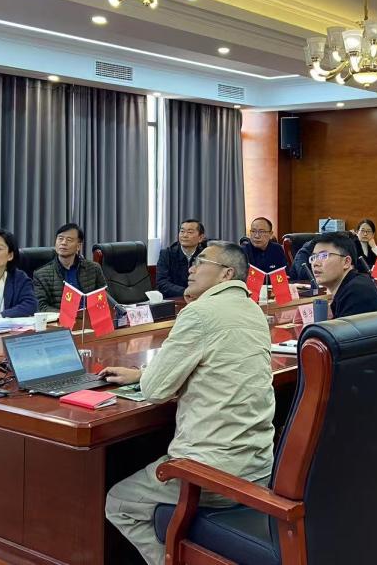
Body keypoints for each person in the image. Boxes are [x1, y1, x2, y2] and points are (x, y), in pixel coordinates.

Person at [101, 241, 275, 565]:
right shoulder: (253, 310)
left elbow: (155, 391)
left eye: (201, 262)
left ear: (226, 274)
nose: (191, 268)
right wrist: (141, 373)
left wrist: (148, 377)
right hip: (258, 466)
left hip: (211, 473)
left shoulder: (199, 313)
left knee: (118, 503)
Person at [32, 223, 108, 311]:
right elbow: (41, 307)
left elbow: (104, 299)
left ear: (78, 246)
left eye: (69, 240)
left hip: (89, 317)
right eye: (60, 238)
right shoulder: (41, 275)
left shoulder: (94, 268)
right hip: (59, 319)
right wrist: (67, 316)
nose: (63, 243)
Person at [309, 231, 377, 319]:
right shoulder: (351, 286)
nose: (315, 263)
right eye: (313, 257)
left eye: (323, 256)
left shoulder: (356, 291)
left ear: (346, 262)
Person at [156, 219, 206, 298]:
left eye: (190, 232)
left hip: (200, 298)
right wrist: (186, 292)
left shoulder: (205, 255)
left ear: (200, 237)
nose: (184, 235)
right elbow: (162, 283)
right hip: (174, 299)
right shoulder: (167, 254)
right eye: (182, 231)